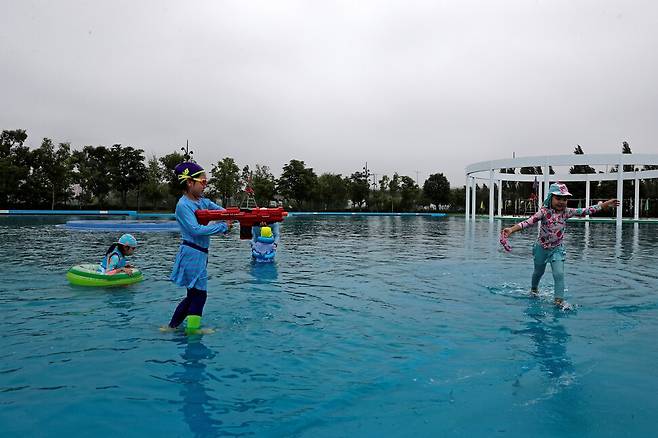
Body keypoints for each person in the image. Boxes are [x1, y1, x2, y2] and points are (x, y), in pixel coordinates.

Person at [502, 182, 619, 309]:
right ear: (550, 198)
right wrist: (511, 230)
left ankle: (559, 301)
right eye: (558, 198)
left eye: (564, 199)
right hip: (541, 248)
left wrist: (604, 205)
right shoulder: (544, 212)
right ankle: (534, 290)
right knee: (538, 272)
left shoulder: (567, 212)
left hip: (557, 249)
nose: (561, 202)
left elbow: (586, 211)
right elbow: (528, 222)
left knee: (559, 274)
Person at [165, 162, 231, 334]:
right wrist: (223, 227)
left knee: (193, 295)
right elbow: (196, 230)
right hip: (192, 252)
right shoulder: (183, 205)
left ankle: (171, 327)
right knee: (200, 295)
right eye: (202, 181)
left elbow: (224, 213)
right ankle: (193, 331)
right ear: (189, 182)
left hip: (199, 254)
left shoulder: (203, 202)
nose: (205, 185)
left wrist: (245, 217)